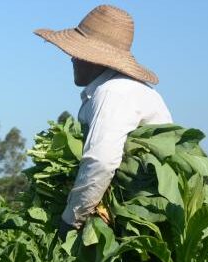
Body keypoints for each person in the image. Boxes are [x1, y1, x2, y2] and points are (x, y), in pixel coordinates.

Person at [34, 4, 172, 238]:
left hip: (142, 221)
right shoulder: (124, 89)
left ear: (96, 59)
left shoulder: (114, 92)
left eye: (77, 54)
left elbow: (101, 161)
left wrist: (70, 222)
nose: (71, 60)